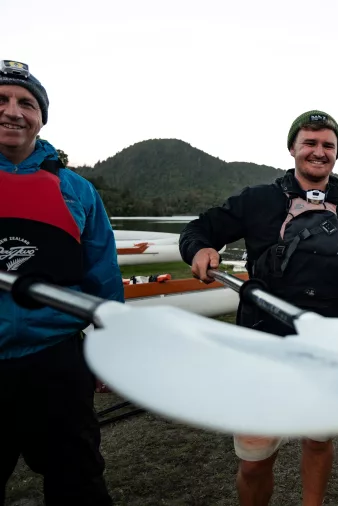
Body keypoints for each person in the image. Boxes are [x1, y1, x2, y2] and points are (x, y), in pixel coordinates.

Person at [178, 109, 338, 506]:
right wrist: (199, 248)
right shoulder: (258, 200)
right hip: (262, 340)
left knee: (318, 440)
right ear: (292, 147)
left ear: (337, 154)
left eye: (328, 145)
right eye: (310, 142)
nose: (318, 152)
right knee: (255, 457)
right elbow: (199, 229)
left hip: (329, 344)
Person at [0, 60, 122, 505]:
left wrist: (112, 352)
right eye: (2, 100)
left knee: (77, 481)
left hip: (55, 361)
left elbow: (103, 278)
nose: (13, 111)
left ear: (40, 118)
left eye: (26, 103)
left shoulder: (78, 191)